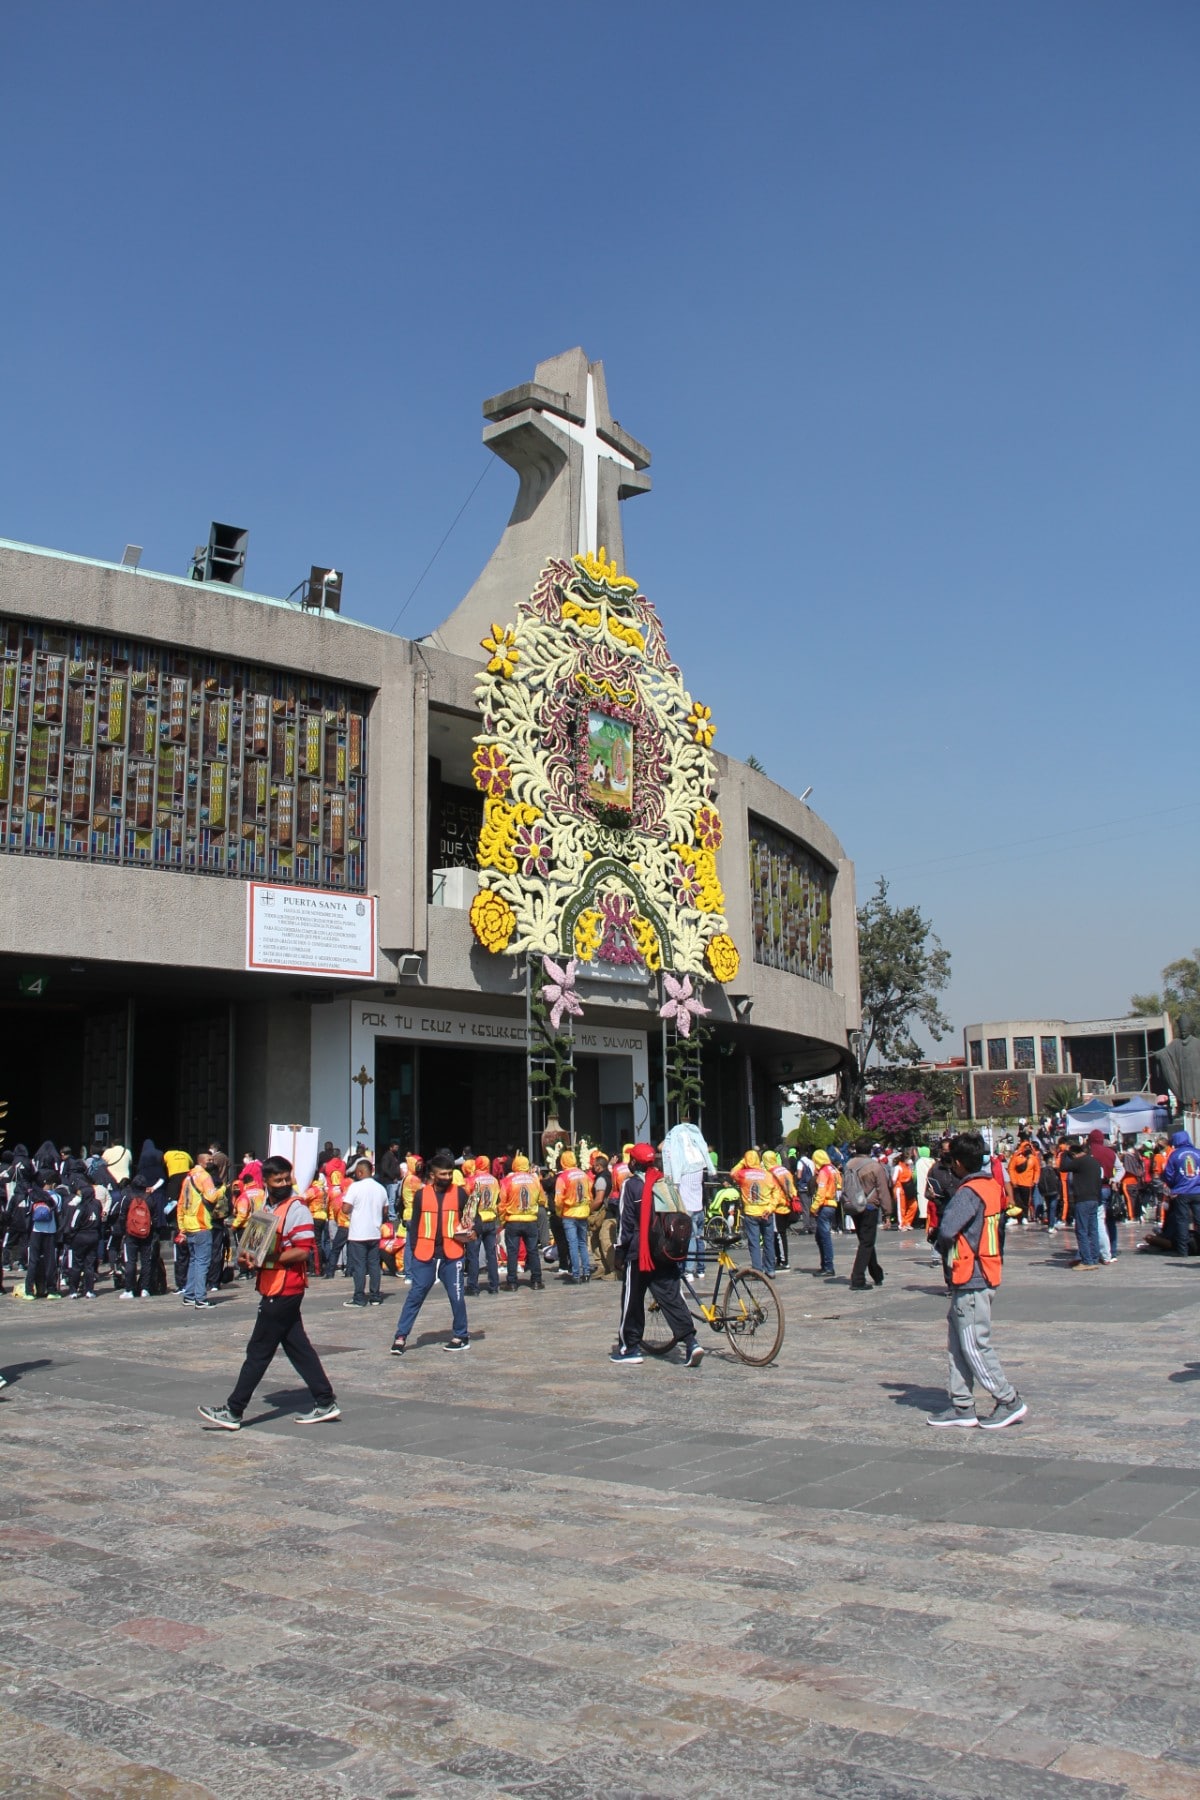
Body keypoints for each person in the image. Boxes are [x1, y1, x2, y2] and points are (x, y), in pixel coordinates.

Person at [198, 1157, 339, 1429]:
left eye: (287, 1178)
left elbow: (303, 1250)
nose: (284, 1184)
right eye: (278, 1180)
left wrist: (268, 1257)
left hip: (285, 1287)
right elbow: (254, 1244)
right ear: (267, 1182)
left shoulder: (296, 1208)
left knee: (259, 1350)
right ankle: (325, 1400)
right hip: (273, 1284)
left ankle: (234, 1410)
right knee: (298, 1348)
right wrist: (247, 1258)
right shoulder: (266, 1206)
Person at [927, 1131, 1027, 1430]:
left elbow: (947, 1231)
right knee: (958, 1342)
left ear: (958, 1163)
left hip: (971, 1274)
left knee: (972, 1343)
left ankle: (1008, 1399)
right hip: (985, 1269)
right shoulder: (992, 1186)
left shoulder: (968, 1192)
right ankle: (962, 1405)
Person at [611, 1142, 702, 1368]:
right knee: (672, 1298)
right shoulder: (664, 1182)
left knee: (632, 1300)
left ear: (634, 1162)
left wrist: (620, 1252)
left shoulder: (631, 1186)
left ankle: (629, 1348)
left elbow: (626, 1223)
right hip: (665, 1250)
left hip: (640, 1251)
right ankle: (691, 1343)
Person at [390, 1150, 470, 1355]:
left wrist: (472, 1230)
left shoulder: (460, 1193)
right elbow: (415, 1223)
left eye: (450, 1173)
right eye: (443, 1174)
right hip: (425, 1254)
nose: (448, 1177)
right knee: (416, 1294)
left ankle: (461, 1336)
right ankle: (400, 1336)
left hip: (452, 1253)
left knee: (457, 1295)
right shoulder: (421, 1195)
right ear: (433, 1175)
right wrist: (415, 1249)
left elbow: (471, 1217)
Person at [844, 1138, 889, 1290]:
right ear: (870, 1150)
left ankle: (876, 1273)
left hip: (854, 1206)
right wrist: (888, 1213)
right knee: (866, 1242)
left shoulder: (849, 1164)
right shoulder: (875, 1167)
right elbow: (883, 1190)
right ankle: (857, 1278)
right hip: (870, 1207)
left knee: (866, 1241)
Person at [342, 1157, 388, 1307]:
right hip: (374, 1232)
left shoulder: (355, 1187)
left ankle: (359, 1298)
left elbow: (345, 1209)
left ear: (360, 1172)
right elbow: (385, 1210)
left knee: (359, 1266)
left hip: (358, 1233)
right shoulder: (381, 1188)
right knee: (374, 1265)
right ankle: (375, 1296)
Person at [179, 1151, 222, 1307]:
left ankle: (189, 1295)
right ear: (203, 1162)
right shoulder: (205, 1177)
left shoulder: (188, 1178)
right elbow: (211, 1197)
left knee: (194, 1261)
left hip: (190, 1225)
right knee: (202, 1263)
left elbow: (181, 1203)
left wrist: (181, 1226)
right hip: (202, 1224)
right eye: (209, 1160)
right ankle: (200, 1298)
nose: (211, 1162)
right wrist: (221, 1191)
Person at [499, 1154, 543, 1291]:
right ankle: (536, 1280)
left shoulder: (507, 1181)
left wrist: (502, 1220)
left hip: (513, 1220)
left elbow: (502, 1203)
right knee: (533, 1251)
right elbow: (542, 1200)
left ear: (514, 1165)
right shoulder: (535, 1180)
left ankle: (512, 1282)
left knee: (512, 1252)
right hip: (530, 1220)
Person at [730, 1151, 777, 1276]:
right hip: (766, 1212)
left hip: (751, 1212)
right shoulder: (767, 1175)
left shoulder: (743, 1174)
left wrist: (742, 1162)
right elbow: (776, 1193)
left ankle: (757, 1270)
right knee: (768, 1241)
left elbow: (732, 1173)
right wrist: (770, 1208)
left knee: (754, 1243)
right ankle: (770, 1269)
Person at [1061, 1136, 1104, 1269]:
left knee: (1082, 1231)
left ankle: (1087, 1261)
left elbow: (1062, 1168)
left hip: (1083, 1200)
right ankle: (1095, 1257)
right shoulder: (1095, 1162)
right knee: (1093, 1230)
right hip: (1094, 1199)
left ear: (1074, 1154)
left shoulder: (1079, 1161)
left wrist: (1063, 1153)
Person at [464, 1156, 501, 1296]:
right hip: (490, 1219)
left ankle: (473, 1287)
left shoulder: (472, 1180)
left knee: (473, 1255)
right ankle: (494, 1285)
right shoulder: (494, 1180)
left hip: (476, 1221)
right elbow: (497, 1199)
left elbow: (467, 1199)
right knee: (491, 1255)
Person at [554, 1151, 593, 1283]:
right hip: (583, 1212)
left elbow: (558, 1200)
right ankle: (586, 1272)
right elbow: (590, 1193)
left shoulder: (563, 1177)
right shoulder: (584, 1175)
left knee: (573, 1245)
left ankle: (576, 1274)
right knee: (583, 1243)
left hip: (569, 1213)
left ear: (562, 1162)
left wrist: (559, 1213)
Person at [1162, 1130, 1200, 1258]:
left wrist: (1173, 1186)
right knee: (1199, 1220)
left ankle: (1183, 1251)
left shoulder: (1174, 1155)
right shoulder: (1198, 1153)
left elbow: (1168, 1174)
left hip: (1181, 1192)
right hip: (1198, 1191)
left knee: (1182, 1221)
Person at [587, 1152, 618, 1280]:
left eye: (594, 1166)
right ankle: (602, 1267)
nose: (593, 1168)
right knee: (595, 1239)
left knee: (605, 1241)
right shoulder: (609, 1176)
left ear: (599, 1166)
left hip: (604, 1214)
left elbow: (599, 1199)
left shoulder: (600, 1179)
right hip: (608, 1212)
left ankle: (614, 1270)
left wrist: (588, 1210)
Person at [764, 1152, 796, 1270]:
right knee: (781, 1234)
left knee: (779, 1235)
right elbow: (792, 1188)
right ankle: (780, 1259)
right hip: (788, 1204)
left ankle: (783, 1260)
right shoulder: (784, 1170)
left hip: (778, 1207)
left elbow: (773, 1191)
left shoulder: (770, 1173)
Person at [810, 1150, 839, 1278]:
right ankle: (825, 1264)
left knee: (824, 1237)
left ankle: (828, 1266)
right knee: (820, 1236)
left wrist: (813, 1208)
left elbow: (821, 1192)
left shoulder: (823, 1172)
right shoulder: (834, 1169)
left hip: (825, 1205)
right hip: (833, 1204)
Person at [1007, 1134, 1041, 1224]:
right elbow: (1011, 1168)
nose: (1027, 1149)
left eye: (1028, 1147)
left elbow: (1037, 1169)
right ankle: (1017, 1217)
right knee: (1018, 1201)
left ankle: (1025, 1216)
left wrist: (1035, 1180)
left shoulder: (1033, 1158)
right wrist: (1013, 1180)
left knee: (1026, 1202)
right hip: (1017, 1183)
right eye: (1025, 1147)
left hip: (1028, 1183)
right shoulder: (1016, 1157)